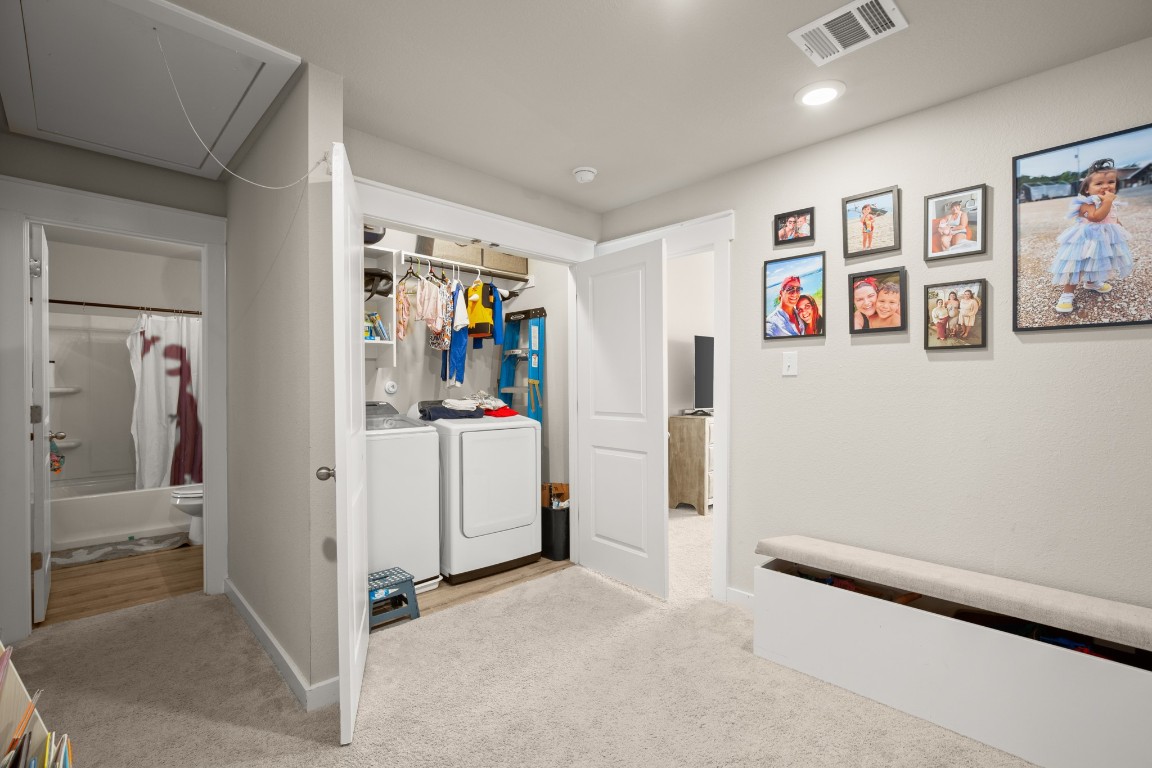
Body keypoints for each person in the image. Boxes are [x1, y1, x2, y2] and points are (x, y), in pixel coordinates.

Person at [1050, 158, 1134, 314]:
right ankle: (1067, 294)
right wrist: (1107, 202)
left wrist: (1119, 227)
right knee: (1077, 266)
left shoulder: (1110, 202)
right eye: (1099, 183)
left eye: (1111, 181)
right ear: (1087, 189)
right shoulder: (1086, 203)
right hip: (1086, 240)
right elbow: (1097, 217)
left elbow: (1112, 217)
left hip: (1104, 239)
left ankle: (1091, 282)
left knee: (1099, 261)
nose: (1106, 186)